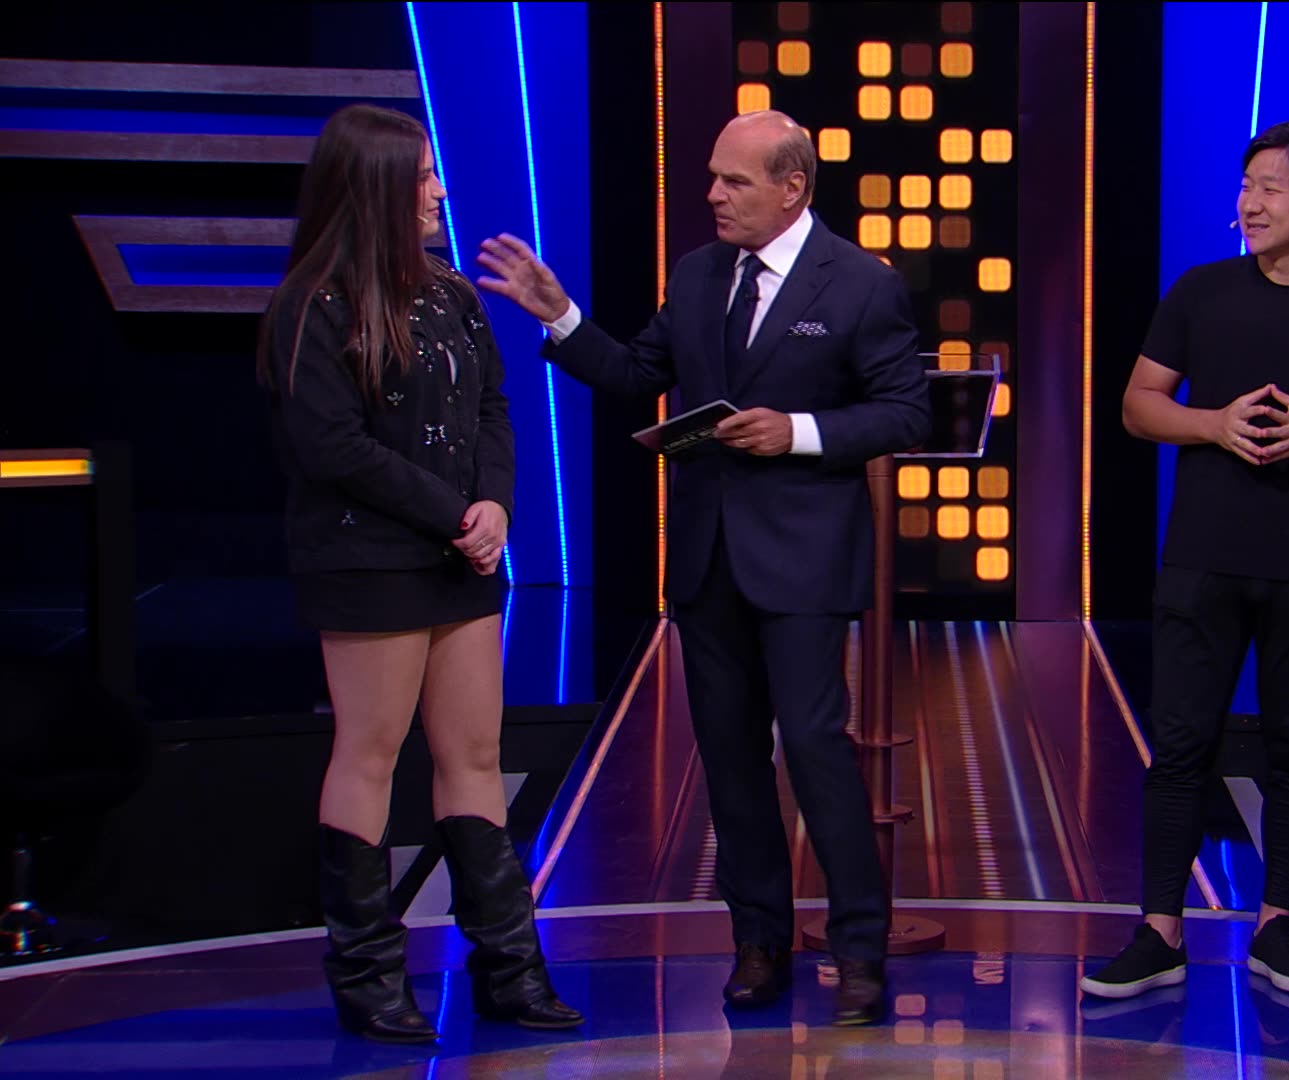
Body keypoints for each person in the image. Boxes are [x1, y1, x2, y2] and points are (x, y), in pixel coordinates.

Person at [476, 110, 930, 1026]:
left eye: (734, 181)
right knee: (729, 758)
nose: (713, 194)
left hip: (803, 562)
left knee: (815, 748)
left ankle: (859, 948)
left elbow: (905, 412)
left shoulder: (861, 283)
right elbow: (636, 374)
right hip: (707, 560)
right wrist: (559, 315)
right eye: (714, 177)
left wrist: (797, 432)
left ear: (792, 187)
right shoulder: (697, 273)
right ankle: (758, 941)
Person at [1081, 121, 1289, 1001]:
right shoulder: (1201, 291)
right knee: (1181, 745)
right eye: (1247, 184)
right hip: (1203, 556)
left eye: (1272, 187)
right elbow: (1138, 405)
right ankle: (1159, 931)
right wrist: (1212, 423)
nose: (1251, 202)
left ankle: (1278, 926)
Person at [259, 103, 580, 1043]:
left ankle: (509, 972)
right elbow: (333, 448)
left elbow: (492, 408)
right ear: (375, 187)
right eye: (424, 177)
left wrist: (495, 509)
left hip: (462, 556)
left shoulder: (450, 295)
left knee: (474, 757)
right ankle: (368, 976)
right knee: (370, 754)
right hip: (369, 558)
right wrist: (454, 515)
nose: (439, 191)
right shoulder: (311, 306)